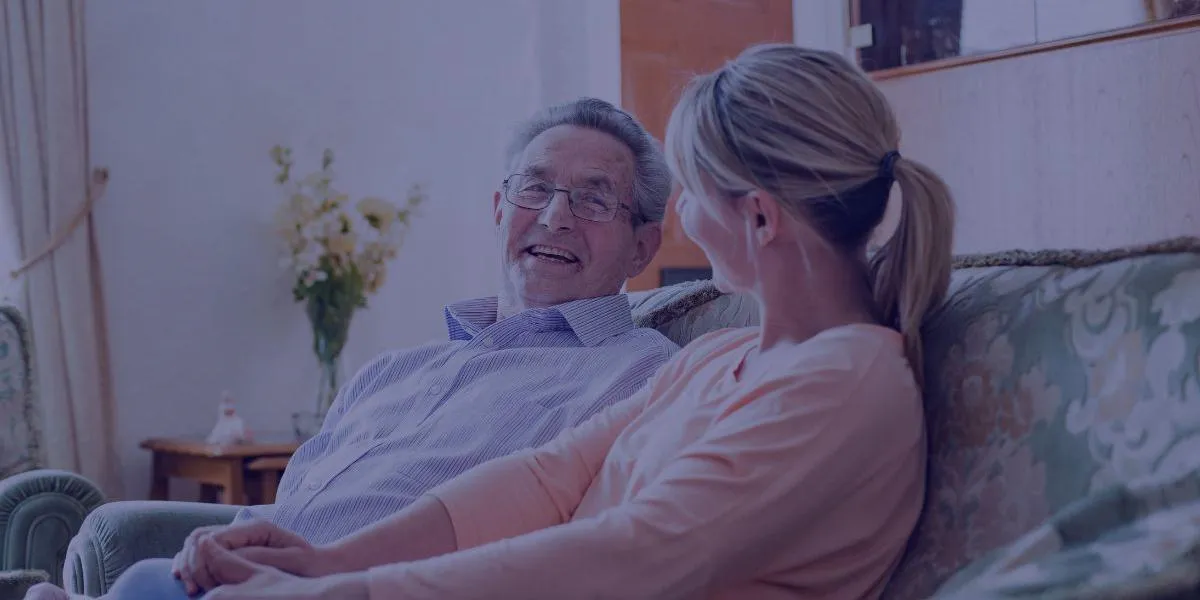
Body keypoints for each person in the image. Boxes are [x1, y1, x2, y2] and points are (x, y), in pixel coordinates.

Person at [67, 43, 959, 599]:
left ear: (758, 218)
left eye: (690, 191)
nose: (683, 212)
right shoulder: (723, 358)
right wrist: (328, 565)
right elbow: (542, 480)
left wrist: (353, 593)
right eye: (536, 190)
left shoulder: (848, 384)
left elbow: (636, 559)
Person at [24, 97, 678, 600]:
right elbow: (293, 510)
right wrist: (231, 541)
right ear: (498, 207)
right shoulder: (396, 370)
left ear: (643, 246)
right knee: (145, 576)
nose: (555, 216)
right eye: (533, 188)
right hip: (256, 581)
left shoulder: (640, 373)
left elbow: (583, 541)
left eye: (593, 199)